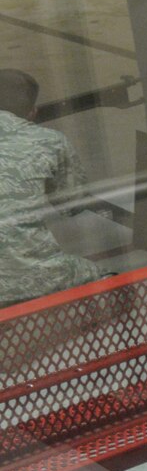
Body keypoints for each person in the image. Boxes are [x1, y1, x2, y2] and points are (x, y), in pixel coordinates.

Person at [0, 69, 101, 307]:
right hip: (33, 278)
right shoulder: (50, 141)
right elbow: (74, 206)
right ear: (32, 113)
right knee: (104, 277)